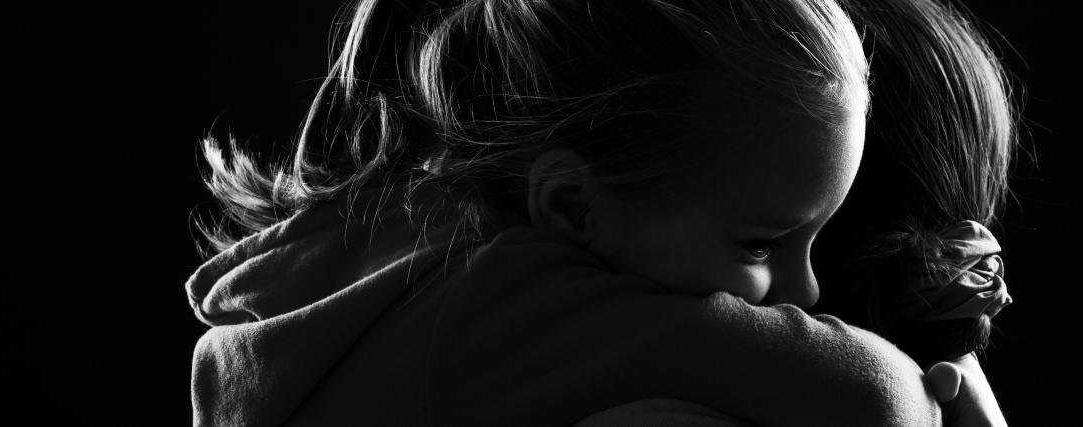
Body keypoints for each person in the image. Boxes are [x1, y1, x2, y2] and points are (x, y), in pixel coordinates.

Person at [187, 0, 1010, 425]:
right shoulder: (480, 299)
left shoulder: (391, 253)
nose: (803, 290)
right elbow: (871, 401)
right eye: (763, 241)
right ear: (573, 202)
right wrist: (928, 388)